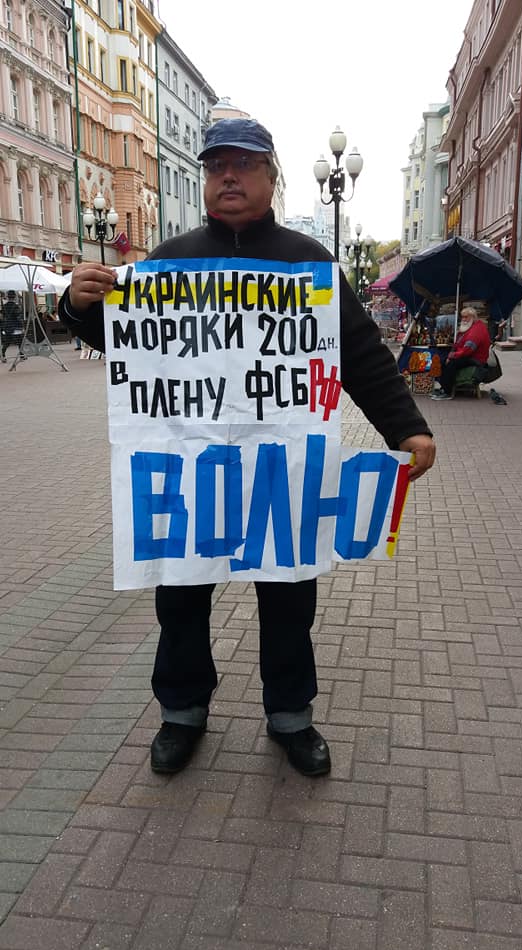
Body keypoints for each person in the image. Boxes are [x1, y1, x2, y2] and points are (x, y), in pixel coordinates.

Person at [58, 118, 436, 778]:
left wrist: (406, 426)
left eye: (244, 164)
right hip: (190, 466)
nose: (227, 176)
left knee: (289, 591)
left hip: (280, 465)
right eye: (215, 167)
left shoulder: (309, 263)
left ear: (271, 176)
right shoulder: (169, 261)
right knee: (180, 591)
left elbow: (359, 352)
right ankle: (182, 712)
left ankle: (291, 715)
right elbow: (129, 347)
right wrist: (79, 307)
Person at [432, 305, 491, 399]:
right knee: (443, 359)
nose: (463, 319)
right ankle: (444, 387)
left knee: (451, 363)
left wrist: (452, 356)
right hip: (469, 355)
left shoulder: (476, 330)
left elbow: (467, 350)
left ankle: (447, 392)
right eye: (462, 317)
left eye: (466, 317)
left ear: (473, 317)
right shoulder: (470, 327)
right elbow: (458, 343)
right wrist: (452, 353)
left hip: (476, 359)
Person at [1, 291, 25, 362]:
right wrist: (22, 326)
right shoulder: (16, 306)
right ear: (14, 297)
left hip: (7, 326)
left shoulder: (4, 306)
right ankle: (21, 355)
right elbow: (18, 317)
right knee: (20, 341)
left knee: (7, 342)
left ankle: (3, 355)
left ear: (8, 297)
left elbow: (3, 316)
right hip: (15, 327)